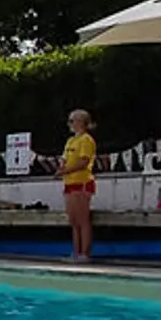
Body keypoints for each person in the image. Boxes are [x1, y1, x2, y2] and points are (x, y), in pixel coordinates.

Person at [60, 109, 97, 262]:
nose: (70, 124)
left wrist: (65, 170)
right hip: (69, 182)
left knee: (83, 220)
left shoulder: (86, 140)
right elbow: (65, 159)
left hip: (82, 182)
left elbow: (83, 162)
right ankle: (76, 252)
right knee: (73, 221)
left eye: (72, 121)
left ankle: (85, 253)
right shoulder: (71, 141)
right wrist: (62, 167)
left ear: (81, 123)